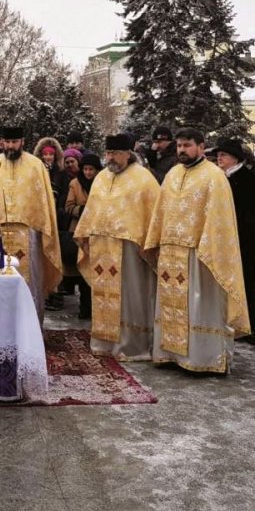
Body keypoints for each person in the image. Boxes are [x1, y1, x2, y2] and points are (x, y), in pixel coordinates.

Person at [144, 128, 250, 374]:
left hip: (200, 252)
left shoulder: (214, 176)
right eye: (179, 145)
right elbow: (161, 211)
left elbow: (219, 220)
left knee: (199, 305)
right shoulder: (172, 174)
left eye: (187, 145)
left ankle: (203, 358)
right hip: (171, 252)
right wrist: (156, 241)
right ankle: (170, 354)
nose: (182, 150)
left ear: (201, 147)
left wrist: (208, 248)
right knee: (172, 306)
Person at [74, 133, 161, 359]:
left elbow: (153, 215)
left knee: (130, 295)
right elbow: (92, 208)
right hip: (102, 246)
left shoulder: (144, 179)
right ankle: (104, 343)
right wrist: (86, 235)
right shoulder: (102, 177)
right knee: (103, 296)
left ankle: (132, 345)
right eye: (108, 153)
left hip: (130, 249)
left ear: (127, 153)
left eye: (115, 153)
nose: (111, 158)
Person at [0, 126, 62, 320]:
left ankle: (31, 328)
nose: (10, 146)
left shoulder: (36, 165)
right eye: (7, 142)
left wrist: (44, 228)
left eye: (14, 142)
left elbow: (44, 201)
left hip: (29, 232)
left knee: (30, 282)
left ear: (22, 142)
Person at [216, 138, 255, 343]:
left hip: (248, 242)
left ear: (235, 158)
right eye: (219, 155)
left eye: (224, 155)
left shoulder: (246, 179)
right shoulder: (223, 178)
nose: (219, 158)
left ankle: (254, 328)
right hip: (232, 241)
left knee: (250, 286)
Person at [62, 153, 100, 318]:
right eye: (85, 169)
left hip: (96, 230)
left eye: (91, 169)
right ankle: (84, 308)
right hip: (79, 231)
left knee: (94, 270)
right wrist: (82, 210)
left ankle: (93, 308)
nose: (88, 173)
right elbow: (68, 206)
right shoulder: (75, 184)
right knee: (82, 269)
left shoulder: (102, 183)